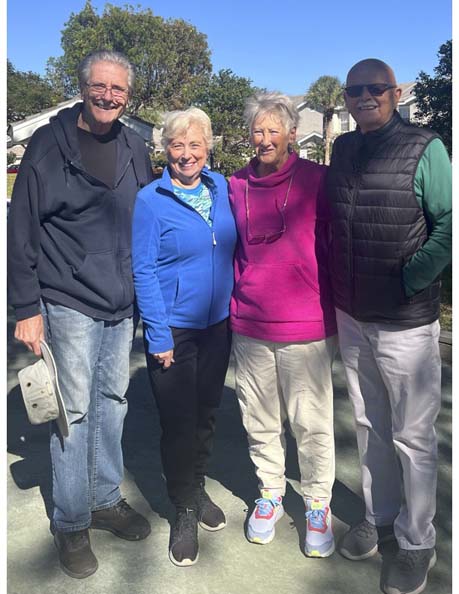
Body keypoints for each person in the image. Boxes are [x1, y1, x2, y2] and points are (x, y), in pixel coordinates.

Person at [7, 50, 153, 579]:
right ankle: (71, 521)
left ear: (127, 96)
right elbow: (21, 228)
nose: (109, 96)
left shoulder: (135, 147)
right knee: (74, 411)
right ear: (84, 87)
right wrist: (26, 307)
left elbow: (149, 218)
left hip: (121, 303)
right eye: (100, 86)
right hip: (67, 299)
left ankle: (104, 498)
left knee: (112, 403)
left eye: (118, 89)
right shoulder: (49, 145)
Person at [326, 59, 452, 594]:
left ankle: (417, 541)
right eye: (355, 90)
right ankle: (378, 519)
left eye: (375, 89)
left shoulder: (426, 147)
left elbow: (449, 225)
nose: (365, 97)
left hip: (404, 320)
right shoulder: (343, 149)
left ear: (395, 93)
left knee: (412, 436)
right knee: (369, 424)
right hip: (353, 315)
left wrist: (410, 278)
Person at [229, 92, 337, 557]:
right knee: (259, 419)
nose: (265, 138)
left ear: (292, 133)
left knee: (311, 424)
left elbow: (337, 240)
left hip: (306, 323)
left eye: (274, 129)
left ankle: (317, 504)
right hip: (250, 322)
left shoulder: (318, 180)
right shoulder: (235, 184)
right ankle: (270, 493)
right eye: (258, 130)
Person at [132, 107, 237, 567]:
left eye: (195, 144)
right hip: (173, 329)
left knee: (206, 414)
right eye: (178, 145)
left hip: (218, 325)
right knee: (178, 422)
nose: (187, 154)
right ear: (165, 150)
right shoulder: (151, 200)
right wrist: (157, 334)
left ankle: (196, 485)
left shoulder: (222, 188)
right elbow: (143, 269)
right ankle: (185, 508)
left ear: (208, 147)